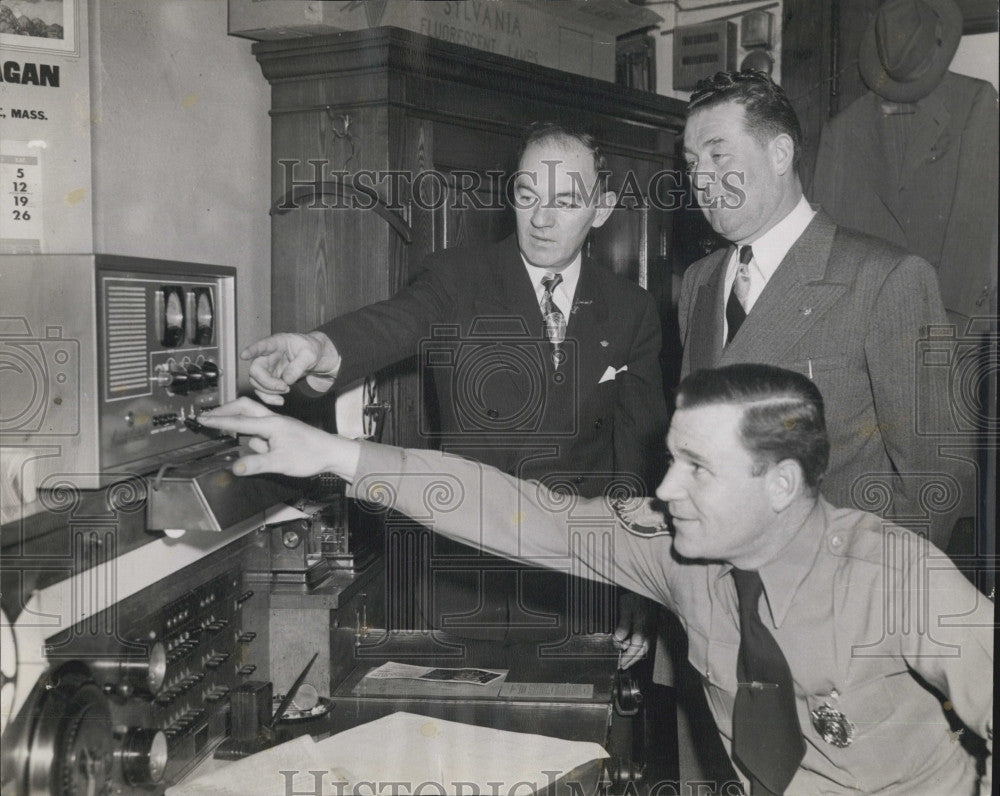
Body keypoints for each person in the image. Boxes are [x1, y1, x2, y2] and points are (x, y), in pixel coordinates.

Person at [199, 363, 993, 795]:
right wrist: (336, 457)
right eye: (669, 459)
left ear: (781, 485)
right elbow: (516, 510)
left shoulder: (898, 577)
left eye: (695, 469)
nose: (666, 489)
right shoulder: (681, 553)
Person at [241, 121, 669, 664]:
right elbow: (397, 323)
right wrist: (319, 346)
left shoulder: (631, 310)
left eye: (565, 201)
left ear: (601, 208)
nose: (540, 219)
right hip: (467, 585)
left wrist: (637, 584)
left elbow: (636, 461)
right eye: (526, 195)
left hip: (580, 592)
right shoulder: (457, 277)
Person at [677, 70, 972, 551]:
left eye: (718, 154)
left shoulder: (885, 279)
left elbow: (935, 475)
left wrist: (874, 587)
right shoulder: (698, 283)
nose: (702, 179)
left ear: (779, 154)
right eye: (692, 164)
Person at [812, 0, 998, 324]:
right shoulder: (842, 131)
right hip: (867, 326)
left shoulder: (974, 104)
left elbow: (977, 225)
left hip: (955, 320)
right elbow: (822, 244)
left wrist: (944, 330)